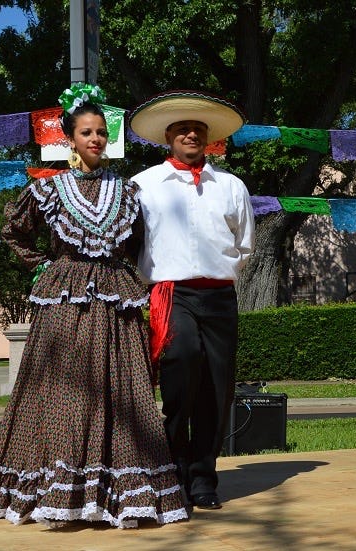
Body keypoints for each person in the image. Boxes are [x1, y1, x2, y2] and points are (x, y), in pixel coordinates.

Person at [0, 83, 188, 528]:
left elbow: (139, 243)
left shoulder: (126, 192)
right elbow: (14, 233)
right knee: (64, 390)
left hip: (115, 297)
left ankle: (117, 493)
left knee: (122, 391)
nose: (95, 139)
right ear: (69, 137)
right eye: (86, 132)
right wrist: (43, 267)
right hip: (65, 298)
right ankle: (59, 491)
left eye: (102, 133)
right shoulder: (49, 189)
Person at [129, 90, 255, 510]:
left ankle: (203, 478)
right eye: (182, 128)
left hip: (219, 295)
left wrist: (222, 270)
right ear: (167, 135)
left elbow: (244, 245)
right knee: (181, 371)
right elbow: (129, 242)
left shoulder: (232, 186)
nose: (190, 133)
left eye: (198, 128)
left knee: (217, 391)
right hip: (171, 293)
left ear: (208, 137)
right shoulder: (143, 185)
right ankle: (173, 472)